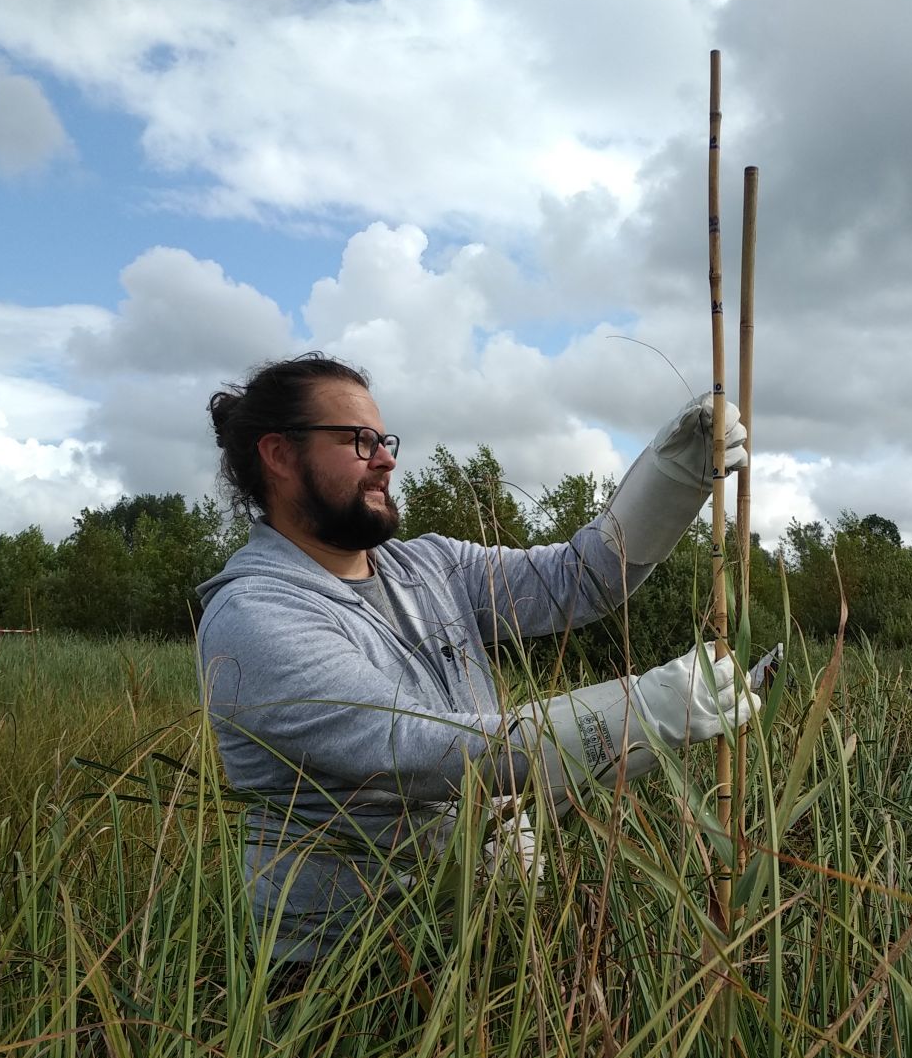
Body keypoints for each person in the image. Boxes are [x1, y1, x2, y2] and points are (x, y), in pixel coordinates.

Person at [196, 352, 759, 964]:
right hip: (349, 974)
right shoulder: (254, 616)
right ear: (279, 455)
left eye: (383, 439)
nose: (385, 457)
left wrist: (674, 475)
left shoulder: (432, 566)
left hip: (499, 938)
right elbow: (418, 749)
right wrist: (639, 715)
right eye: (358, 441)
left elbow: (582, 578)